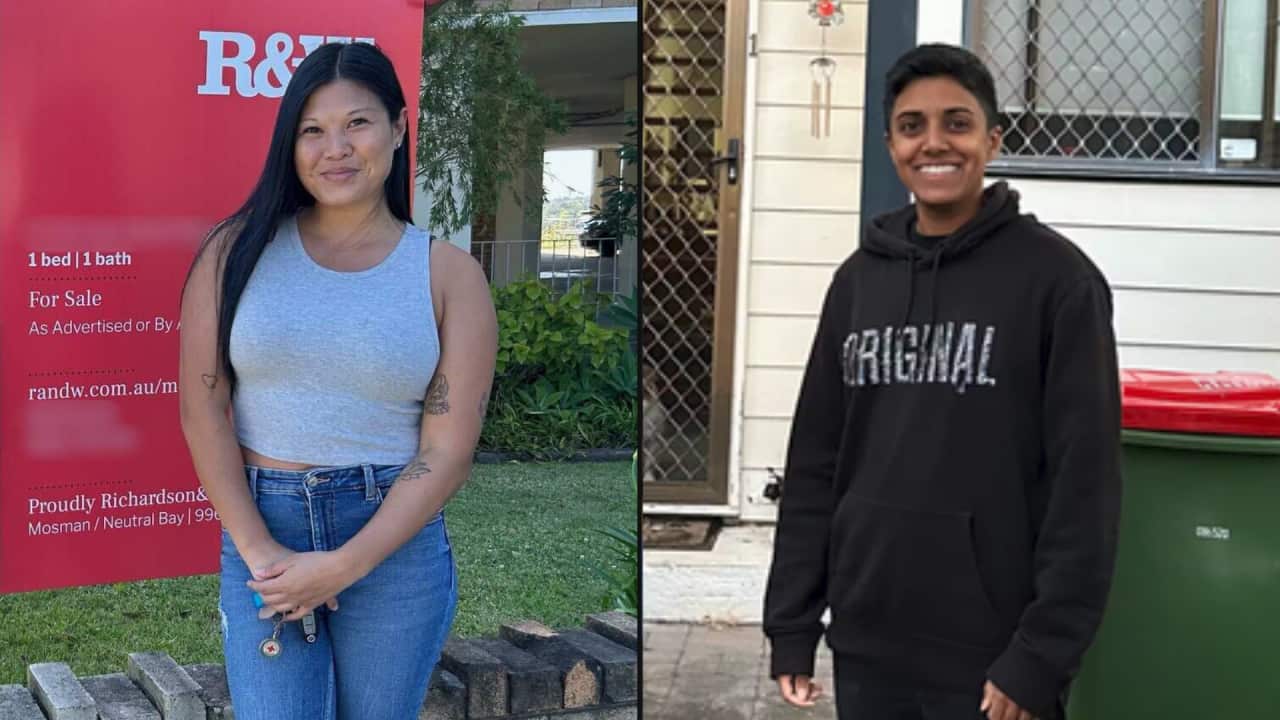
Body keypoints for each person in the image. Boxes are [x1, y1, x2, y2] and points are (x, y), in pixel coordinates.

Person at [762, 43, 1122, 720]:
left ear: (992, 138)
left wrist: (1039, 655)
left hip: (993, 659)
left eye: (956, 123)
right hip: (871, 644)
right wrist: (793, 624)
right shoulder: (858, 282)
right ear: (891, 145)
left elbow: (1087, 487)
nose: (935, 143)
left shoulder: (1059, 283)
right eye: (912, 126)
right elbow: (816, 462)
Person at [178, 41, 497, 720]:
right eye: (312, 130)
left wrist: (344, 564)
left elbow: (447, 450)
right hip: (263, 525)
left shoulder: (448, 276)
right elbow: (203, 408)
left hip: (393, 542)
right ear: (290, 145)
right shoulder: (234, 254)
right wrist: (261, 552)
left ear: (398, 128)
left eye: (358, 123)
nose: (336, 149)